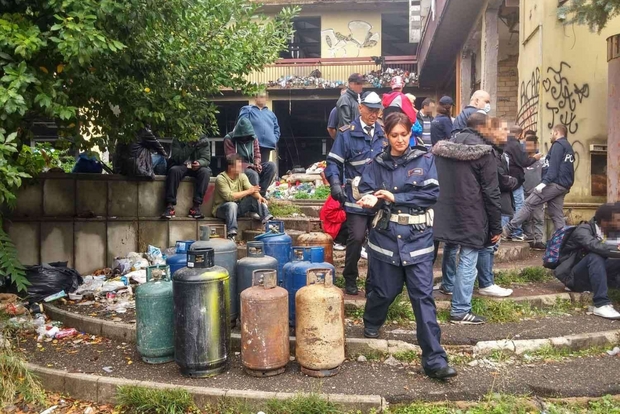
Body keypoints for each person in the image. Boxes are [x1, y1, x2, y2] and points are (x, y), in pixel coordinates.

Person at [355, 112, 456, 380]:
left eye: (405, 134)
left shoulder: (425, 160)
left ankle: (435, 360)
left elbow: (431, 194)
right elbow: (365, 189)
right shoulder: (376, 163)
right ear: (386, 137)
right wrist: (370, 199)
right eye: (394, 135)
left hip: (418, 240)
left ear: (411, 133)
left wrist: (395, 196)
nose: (400, 140)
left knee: (423, 300)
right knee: (384, 292)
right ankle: (372, 321)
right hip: (386, 240)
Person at [432, 113, 502, 324]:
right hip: (472, 213)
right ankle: (460, 309)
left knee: (450, 248)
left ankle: (447, 285)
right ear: (483, 127)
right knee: (468, 259)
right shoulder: (484, 152)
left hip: (444, 211)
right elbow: (491, 192)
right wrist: (496, 226)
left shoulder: (442, 150)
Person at [325, 91, 387, 295]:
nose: (373, 114)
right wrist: (335, 183)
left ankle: (373, 282)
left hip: (379, 196)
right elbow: (334, 162)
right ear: (360, 108)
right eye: (370, 109)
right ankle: (350, 277)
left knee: (378, 242)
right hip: (356, 197)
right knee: (357, 237)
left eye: (376, 110)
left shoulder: (383, 133)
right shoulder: (347, 133)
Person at [502, 124, 575, 238]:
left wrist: (543, 184)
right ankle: (562, 244)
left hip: (554, 184)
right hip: (563, 186)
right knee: (556, 215)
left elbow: (553, 168)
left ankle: (508, 229)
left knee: (528, 203)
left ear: (556, 133)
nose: (551, 136)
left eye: (551, 133)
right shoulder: (568, 147)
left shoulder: (558, 145)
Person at [554, 203, 620, 319]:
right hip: (576, 279)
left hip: (598, 276)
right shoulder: (583, 230)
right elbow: (593, 246)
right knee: (594, 256)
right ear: (604, 221)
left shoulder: (612, 232)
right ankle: (601, 304)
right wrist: (616, 249)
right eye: (618, 220)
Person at [212, 154, 273, 241]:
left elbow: (252, 189)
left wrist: (260, 197)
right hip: (222, 209)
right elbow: (230, 197)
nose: (241, 168)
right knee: (231, 205)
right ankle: (231, 234)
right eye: (238, 166)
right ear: (230, 167)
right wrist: (249, 191)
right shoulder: (221, 179)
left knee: (254, 199)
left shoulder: (242, 176)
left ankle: (268, 222)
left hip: (238, 207)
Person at [503, 125, 543, 241]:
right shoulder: (515, 145)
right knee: (520, 206)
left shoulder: (504, 143)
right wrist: (535, 158)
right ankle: (516, 232)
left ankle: (506, 231)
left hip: (506, 179)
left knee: (508, 205)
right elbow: (524, 162)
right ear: (520, 135)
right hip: (515, 180)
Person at [223, 117, 276, 198]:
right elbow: (231, 159)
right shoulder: (229, 139)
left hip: (252, 165)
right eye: (243, 136)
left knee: (271, 166)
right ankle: (255, 196)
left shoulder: (253, 137)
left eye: (247, 136)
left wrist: (257, 164)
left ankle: (261, 194)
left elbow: (257, 153)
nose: (245, 138)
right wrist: (248, 166)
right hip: (238, 167)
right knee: (252, 173)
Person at [161, 135, 211, 219]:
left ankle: (196, 206)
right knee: (173, 171)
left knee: (205, 173)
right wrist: (190, 145)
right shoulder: (178, 138)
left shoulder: (204, 140)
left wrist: (199, 163)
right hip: (182, 165)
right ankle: (169, 206)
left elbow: (206, 159)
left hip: (196, 166)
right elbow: (177, 158)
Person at [238, 92, 280, 165]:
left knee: (264, 167)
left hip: (267, 145)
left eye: (263, 97)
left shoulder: (271, 114)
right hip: (251, 145)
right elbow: (242, 124)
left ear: (266, 99)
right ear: (255, 98)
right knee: (252, 166)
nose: (262, 99)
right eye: (260, 96)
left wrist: (274, 139)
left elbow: (276, 129)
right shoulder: (248, 110)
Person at [522, 135, 546, 250]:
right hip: (524, 192)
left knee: (538, 218)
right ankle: (529, 238)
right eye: (527, 145)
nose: (528, 148)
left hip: (538, 194)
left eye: (530, 145)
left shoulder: (542, 160)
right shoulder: (522, 159)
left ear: (536, 145)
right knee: (525, 218)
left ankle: (539, 240)